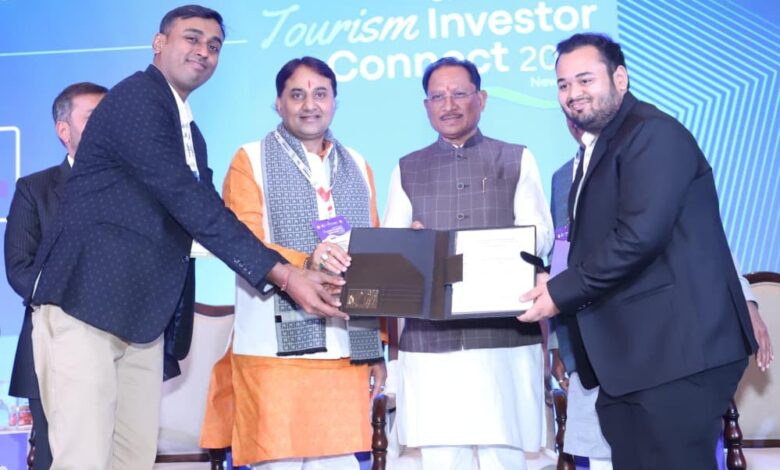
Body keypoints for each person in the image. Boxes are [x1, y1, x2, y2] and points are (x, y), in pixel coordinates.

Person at [27, 6, 346, 470]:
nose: (204, 51)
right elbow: (187, 200)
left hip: (140, 319)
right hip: (86, 305)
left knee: (132, 459)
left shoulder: (188, 130)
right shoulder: (136, 99)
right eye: (192, 38)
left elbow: (207, 210)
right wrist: (284, 275)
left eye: (214, 45)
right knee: (84, 459)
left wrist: (289, 270)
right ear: (159, 43)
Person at [520, 33, 757, 469]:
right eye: (563, 85)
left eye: (585, 80)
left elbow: (638, 236)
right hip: (634, 360)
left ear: (620, 78)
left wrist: (559, 292)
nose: (573, 94)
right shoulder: (599, 148)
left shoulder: (652, 133)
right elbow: (592, 246)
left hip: (678, 354)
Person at [546, 118, 774, 470]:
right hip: (598, 343)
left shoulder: (648, 153)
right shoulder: (562, 177)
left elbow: (703, 239)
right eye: (567, 97)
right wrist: (561, 343)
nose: (578, 111)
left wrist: (746, 302)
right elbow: (564, 260)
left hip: (663, 345)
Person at [199, 56, 386, 469]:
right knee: (277, 460)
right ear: (278, 103)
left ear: (335, 101)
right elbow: (242, 241)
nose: (309, 105)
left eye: (320, 94)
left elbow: (371, 258)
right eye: (297, 95)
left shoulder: (358, 165)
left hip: (345, 349)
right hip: (272, 351)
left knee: (340, 462)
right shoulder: (250, 159)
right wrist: (305, 260)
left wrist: (374, 350)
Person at [383, 57, 554, 470]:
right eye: (438, 96)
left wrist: (494, 248)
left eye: (459, 93)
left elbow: (540, 235)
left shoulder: (515, 158)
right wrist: (412, 243)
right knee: (442, 455)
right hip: (432, 341)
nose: (449, 105)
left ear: (482, 99)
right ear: (426, 106)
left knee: (506, 454)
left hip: (504, 336)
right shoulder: (407, 167)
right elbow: (391, 247)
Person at [4, 82, 107, 470]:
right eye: (94, 117)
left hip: (127, 347)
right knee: (56, 456)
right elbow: (20, 269)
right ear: (64, 130)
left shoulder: (137, 187)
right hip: (54, 345)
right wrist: (80, 298)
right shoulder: (35, 189)